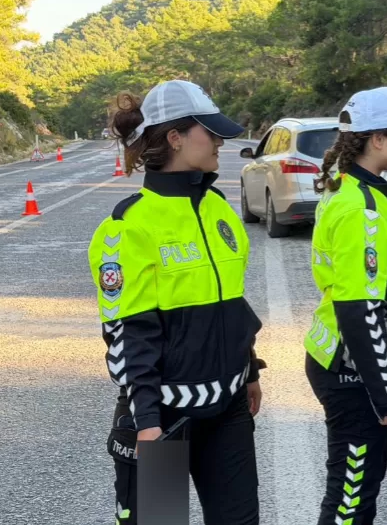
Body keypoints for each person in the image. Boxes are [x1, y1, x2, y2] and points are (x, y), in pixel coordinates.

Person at [87, 79, 267, 525]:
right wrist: (147, 421)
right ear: (175, 138)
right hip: (162, 418)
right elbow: (128, 337)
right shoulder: (128, 227)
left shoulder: (219, 208)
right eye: (210, 132)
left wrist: (248, 370)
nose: (221, 141)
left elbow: (230, 305)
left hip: (228, 410)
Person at [303, 86, 387, 525]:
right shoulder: (360, 207)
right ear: (377, 139)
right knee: (350, 499)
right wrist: (385, 391)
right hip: (351, 369)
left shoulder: (356, 190)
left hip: (345, 362)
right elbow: (358, 308)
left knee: (357, 490)